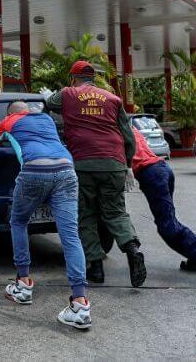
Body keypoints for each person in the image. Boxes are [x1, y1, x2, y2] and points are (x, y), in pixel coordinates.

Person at [0, 101, 92, 329]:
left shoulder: (7, 122)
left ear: (11, 113)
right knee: (70, 236)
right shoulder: (47, 120)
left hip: (35, 171)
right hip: (66, 170)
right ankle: (80, 303)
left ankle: (23, 285)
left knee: (19, 221)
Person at [45, 60, 145, 287]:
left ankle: (96, 268)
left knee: (86, 215)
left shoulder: (68, 94)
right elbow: (127, 136)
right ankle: (132, 249)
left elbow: (50, 103)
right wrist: (127, 163)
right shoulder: (113, 99)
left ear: (73, 78)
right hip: (114, 163)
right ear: (94, 78)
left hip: (83, 165)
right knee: (116, 212)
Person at [131, 127, 196, 280]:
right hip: (163, 168)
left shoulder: (113, 129)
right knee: (169, 221)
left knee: (167, 225)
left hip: (151, 174)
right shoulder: (131, 127)